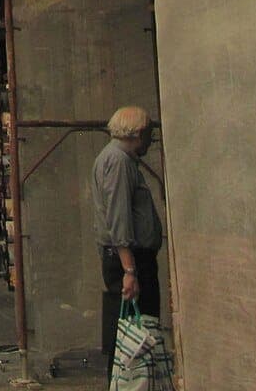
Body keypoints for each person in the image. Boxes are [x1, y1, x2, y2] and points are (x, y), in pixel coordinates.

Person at [92, 106, 164, 371]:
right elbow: (118, 216)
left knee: (131, 336)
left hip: (128, 258)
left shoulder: (116, 159)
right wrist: (129, 269)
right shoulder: (118, 161)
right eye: (148, 134)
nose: (150, 141)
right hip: (130, 259)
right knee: (134, 338)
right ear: (137, 133)